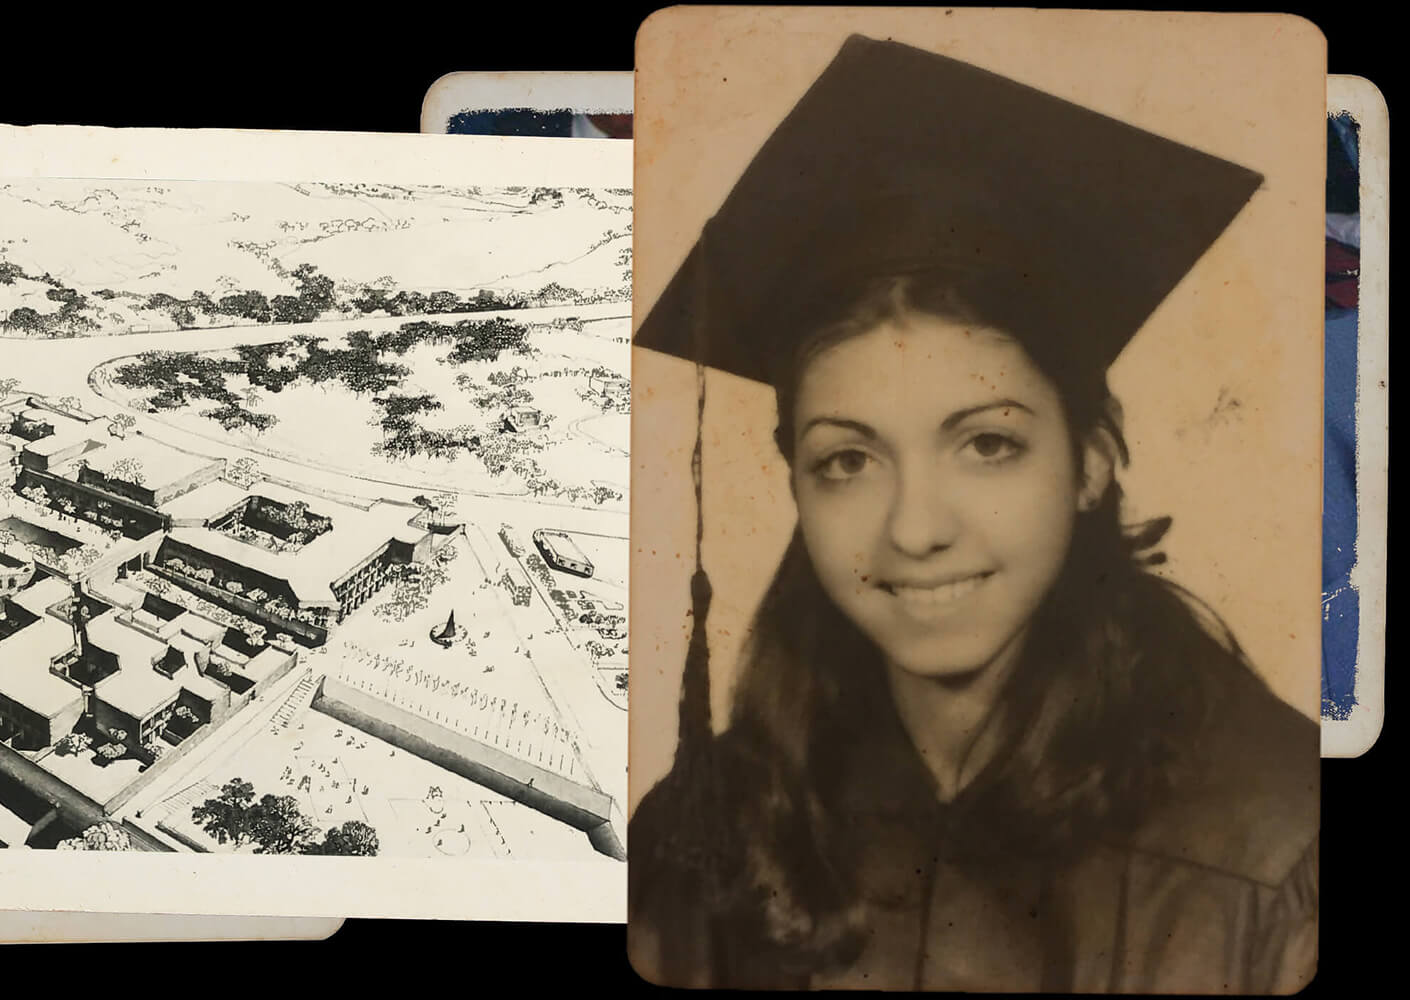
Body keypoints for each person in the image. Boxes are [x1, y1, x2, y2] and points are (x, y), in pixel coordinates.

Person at [627, 35, 1318, 993]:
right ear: (795, 479)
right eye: (849, 459)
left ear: (1090, 460)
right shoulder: (718, 829)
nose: (914, 529)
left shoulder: (1278, 841)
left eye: (987, 442)